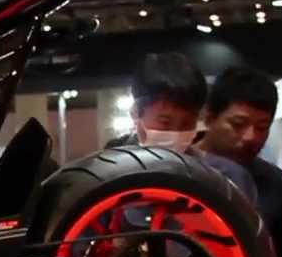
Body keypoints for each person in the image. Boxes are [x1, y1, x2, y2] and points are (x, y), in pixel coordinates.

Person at [106, 53, 258, 202]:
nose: (176, 133)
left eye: (187, 123)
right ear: (135, 113)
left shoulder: (227, 179)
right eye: (165, 122)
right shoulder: (109, 175)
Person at [200, 66, 282, 257]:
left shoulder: (276, 184)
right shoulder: (178, 170)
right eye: (238, 124)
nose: (251, 137)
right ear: (209, 117)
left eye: (262, 127)